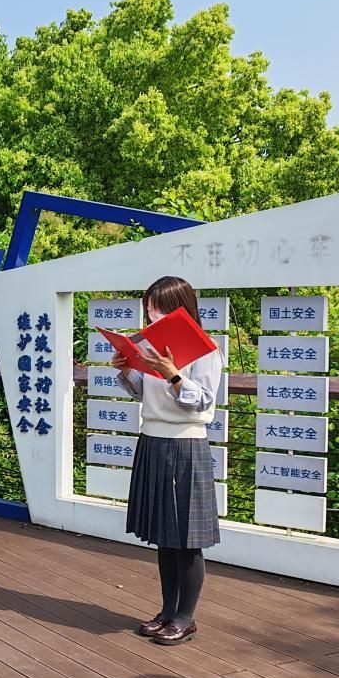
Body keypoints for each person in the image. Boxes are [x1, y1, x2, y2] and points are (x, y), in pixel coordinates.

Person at [112, 276, 223, 646]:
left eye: (159, 309)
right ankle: (167, 611)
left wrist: (171, 372)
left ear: (181, 309)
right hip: (153, 439)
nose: (152, 316)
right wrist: (127, 367)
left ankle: (185, 618)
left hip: (185, 443)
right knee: (164, 536)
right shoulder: (151, 345)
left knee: (187, 538)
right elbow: (143, 392)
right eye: (149, 309)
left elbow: (202, 400)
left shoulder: (205, 349)